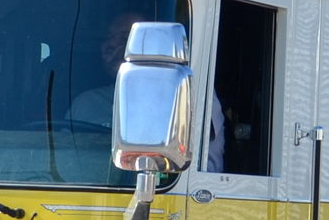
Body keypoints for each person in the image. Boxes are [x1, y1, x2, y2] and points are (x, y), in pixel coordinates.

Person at [69, 13, 225, 170]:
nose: (112, 44)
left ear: (152, 48)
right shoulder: (85, 103)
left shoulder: (187, 90)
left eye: (125, 39)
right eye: (108, 38)